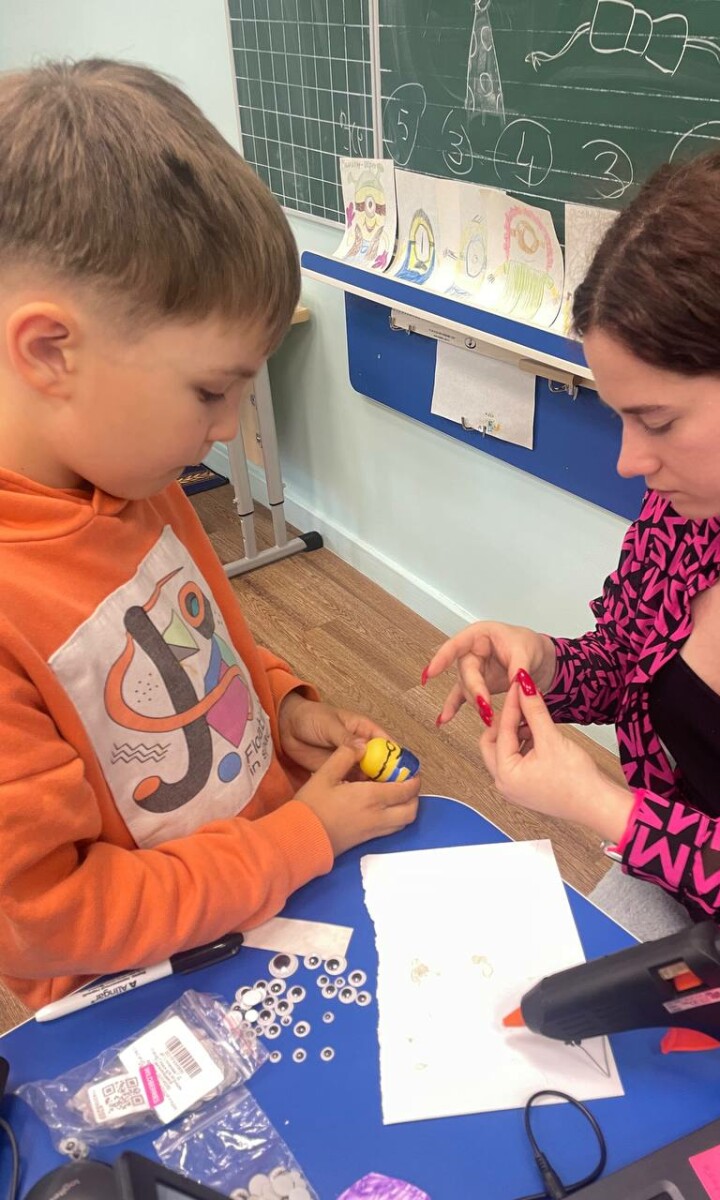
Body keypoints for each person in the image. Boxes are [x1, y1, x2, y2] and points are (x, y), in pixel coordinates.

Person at [424, 143, 720, 1134]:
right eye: (620, 417)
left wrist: (613, 811)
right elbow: (631, 660)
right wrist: (549, 664)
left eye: (658, 421)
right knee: (521, 1100)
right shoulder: (698, 504)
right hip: (682, 910)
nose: (631, 460)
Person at [0, 59, 420, 1011]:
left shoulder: (132, 474)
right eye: (209, 391)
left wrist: (281, 707)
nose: (229, 427)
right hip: (141, 1001)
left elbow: (198, 642)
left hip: (266, 900)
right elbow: (50, 916)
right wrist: (299, 839)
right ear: (51, 351)